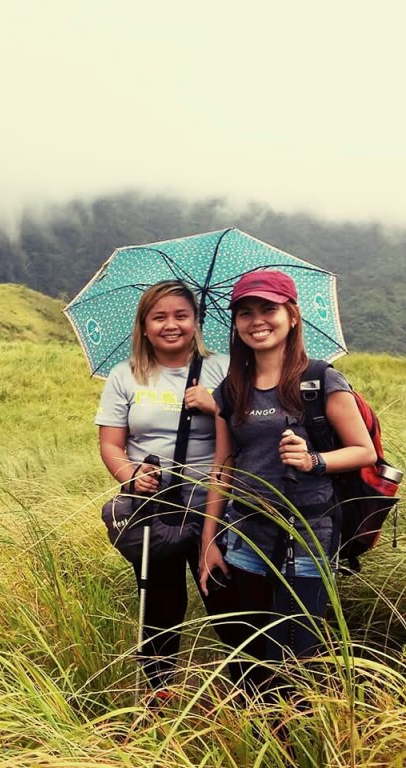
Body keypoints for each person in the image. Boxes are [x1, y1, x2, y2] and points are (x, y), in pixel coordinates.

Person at [198, 270, 376, 687]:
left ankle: (298, 739)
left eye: (268, 309)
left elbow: (362, 450)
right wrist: (209, 541)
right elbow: (223, 466)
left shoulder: (319, 379)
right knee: (252, 655)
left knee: (296, 655)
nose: (257, 320)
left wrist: (313, 459)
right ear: (236, 324)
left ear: (292, 316)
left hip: (309, 535)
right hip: (245, 538)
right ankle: (260, 735)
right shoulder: (231, 389)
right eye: (245, 313)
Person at [96, 279, 235, 695]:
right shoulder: (125, 376)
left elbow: (248, 427)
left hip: (214, 502)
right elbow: (111, 443)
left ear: (196, 321)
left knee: (224, 595)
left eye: (181, 315)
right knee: (160, 602)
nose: (170, 325)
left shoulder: (223, 369)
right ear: (143, 325)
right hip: (153, 504)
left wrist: (217, 404)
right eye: (159, 317)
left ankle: (253, 695)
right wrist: (131, 475)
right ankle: (156, 696)